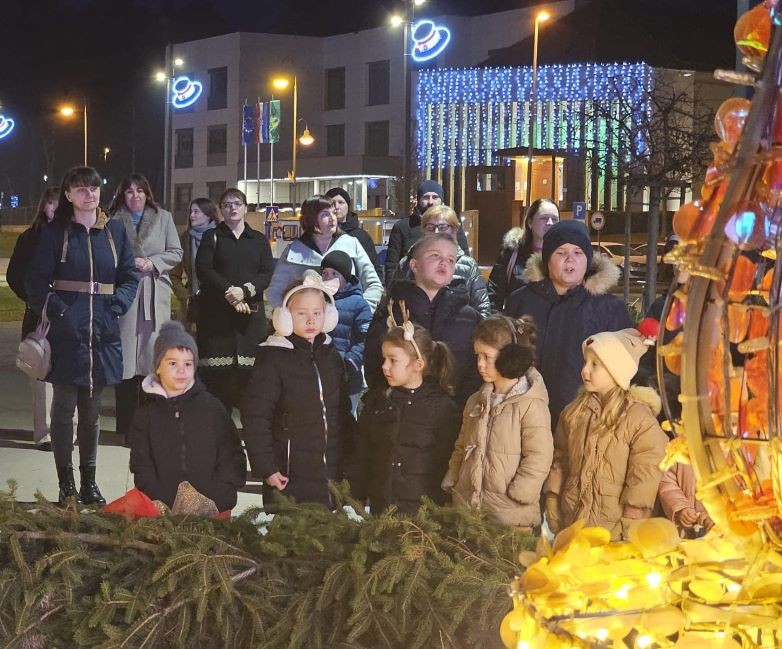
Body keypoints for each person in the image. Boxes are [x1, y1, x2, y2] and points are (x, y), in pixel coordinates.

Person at [26, 166, 138, 505]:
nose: (90, 193)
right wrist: (60, 311)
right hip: (67, 334)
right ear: (69, 195)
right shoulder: (55, 233)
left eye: (94, 187)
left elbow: (129, 275)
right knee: (63, 409)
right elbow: (35, 282)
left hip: (102, 331)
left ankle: (89, 482)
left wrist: (117, 305)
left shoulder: (115, 232)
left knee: (91, 413)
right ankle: (67, 485)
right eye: (81, 188)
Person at [543, 328, 669, 540]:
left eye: (595, 365)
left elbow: (646, 471)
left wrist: (633, 517)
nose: (585, 370)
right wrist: (552, 497)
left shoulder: (638, 418)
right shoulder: (574, 413)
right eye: (585, 362)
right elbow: (560, 458)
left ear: (616, 371)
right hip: (574, 523)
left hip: (614, 530)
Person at [505, 220, 633, 427]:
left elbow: (627, 367)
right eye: (561, 252)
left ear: (588, 260)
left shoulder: (608, 308)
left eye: (578, 252)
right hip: (524, 417)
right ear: (547, 259)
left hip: (584, 420)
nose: (570, 259)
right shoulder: (521, 300)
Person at [242, 271, 354, 508]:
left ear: (328, 316)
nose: (311, 320)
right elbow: (256, 417)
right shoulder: (273, 357)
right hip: (289, 472)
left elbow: (343, 413)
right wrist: (267, 467)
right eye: (302, 314)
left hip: (330, 472)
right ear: (284, 317)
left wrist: (350, 463)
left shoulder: (331, 355)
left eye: (317, 313)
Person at [442, 316, 552, 530]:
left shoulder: (531, 405)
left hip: (510, 515)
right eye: (477, 356)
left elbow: (540, 454)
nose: (480, 364)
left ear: (511, 357)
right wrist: (454, 474)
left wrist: (522, 494)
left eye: (487, 357)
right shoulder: (476, 401)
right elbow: (462, 444)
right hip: (471, 512)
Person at [129, 321, 246, 515]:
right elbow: (141, 462)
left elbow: (232, 454)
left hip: (213, 508)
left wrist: (222, 494)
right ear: (158, 367)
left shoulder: (212, 408)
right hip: (161, 510)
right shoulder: (146, 415)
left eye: (188, 364)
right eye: (172, 363)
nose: (181, 370)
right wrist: (154, 496)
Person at [353, 322, 461, 514]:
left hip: (424, 516)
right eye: (384, 359)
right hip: (381, 512)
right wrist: (357, 498)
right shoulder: (376, 403)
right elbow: (362, 455)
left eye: (393, 360)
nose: (385, 366)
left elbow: (447, 462)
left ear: (418, 365)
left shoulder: (442, 408)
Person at [365, 233, 483, 408]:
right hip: (401, 416)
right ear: (414, 265)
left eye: (451, 259)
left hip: (452, 418)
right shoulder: (392, 312)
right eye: (435, 255)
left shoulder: (469, 317)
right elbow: (374, 363)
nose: (444, 262)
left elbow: (476, 372)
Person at [109, 174, 182, 440]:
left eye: (140, 190)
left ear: (147, 194)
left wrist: (152, 263)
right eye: (129, 191)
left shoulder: (163, 218)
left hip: (154, 294)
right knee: (126, 361)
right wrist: (129, 266)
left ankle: (151, 426)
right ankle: (127, 427)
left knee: (152, 361)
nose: (135, 196)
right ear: (122, 196)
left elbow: (176, 252)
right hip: (126, 296)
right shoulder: (113, 220)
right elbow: (108, 255)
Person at [195, 188, 275, 416]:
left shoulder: (259, 240)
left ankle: (250, 434)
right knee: (218, 384)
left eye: (237, 203)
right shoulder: (212, 237)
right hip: (218, 321)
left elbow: (266, 273)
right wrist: (230, 293)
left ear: (245, 208)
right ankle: (219, 434)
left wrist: (245, 291)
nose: (232, 208)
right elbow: (204, 269)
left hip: (250, 319)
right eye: (227, 204)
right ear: (221, 209)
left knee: (250, 383)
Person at [7, 187, 59, 449]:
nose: (55, 208)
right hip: (37, 315)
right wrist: (33, 298)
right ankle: (45, 433)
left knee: (68, 377)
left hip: (68, 316)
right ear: (43, 206)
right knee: (40, 375)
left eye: (60, 204)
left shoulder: (75, 236)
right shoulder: (30, 238)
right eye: (51, 203)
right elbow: (14, 274)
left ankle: (66, 432)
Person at [267, 195, 382, 310]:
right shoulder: (294, 251)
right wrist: (288, 316)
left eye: (333, 213)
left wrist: (364, 311)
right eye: (325, 214)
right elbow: (275, 292)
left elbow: (373, 284)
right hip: (308, 324)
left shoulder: (350, 243)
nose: (332, 218)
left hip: (348, 322)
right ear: (311, 219)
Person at [391, 205, 491, 315]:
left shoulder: (468, 265)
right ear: (422, 231)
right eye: (430, 227)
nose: (436, 232)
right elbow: (391, 304)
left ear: (454, 231)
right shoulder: (406, 263)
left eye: (443, 227)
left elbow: (483, 311)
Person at [384, 180, 470, 285]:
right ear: (418, 200)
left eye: (435, 197)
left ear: (442, 200)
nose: (430, 202)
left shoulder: (453, 226)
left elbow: (465, 261)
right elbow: (391, 266)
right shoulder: (402, 227)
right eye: (426, 197)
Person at [320, 250, 373, 416]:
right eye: (325, 273)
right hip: (321, 374)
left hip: (347, 377)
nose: (329, 277)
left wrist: (351, 362)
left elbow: (366, 339)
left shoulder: (358, 304)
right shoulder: (318, 300)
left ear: (346, 277)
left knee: (346, 418)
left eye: (335, 273)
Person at [487, 199, 560, 311]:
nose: (550, 223)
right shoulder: (512, 254)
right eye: (544, 218)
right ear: (530, 222)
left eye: (554, 219)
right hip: (517, 324)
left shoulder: (565, 256)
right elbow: (493, 294)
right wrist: (499, 326)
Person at [170, 198, 218, 332]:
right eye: (191, 212)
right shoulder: (185, 239)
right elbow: (173, 274)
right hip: (192, 307)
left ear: (208, 214)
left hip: (217, 305)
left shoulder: (221, 237)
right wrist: (185, 297)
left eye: (196, 211)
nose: (192, 215)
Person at [325, 187, 383, 281]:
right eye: (332, 203)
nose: (336, 206)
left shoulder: (361, 237)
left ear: (348, 205)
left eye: (341, 202)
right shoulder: (321, 235)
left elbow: (374, 270)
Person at [658, 462, 714, 538]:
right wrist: (680, 507)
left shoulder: (730, 454)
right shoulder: (681, 453)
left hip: (722, 532)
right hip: (684, 530)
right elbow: (667, 482)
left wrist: (717, 516)